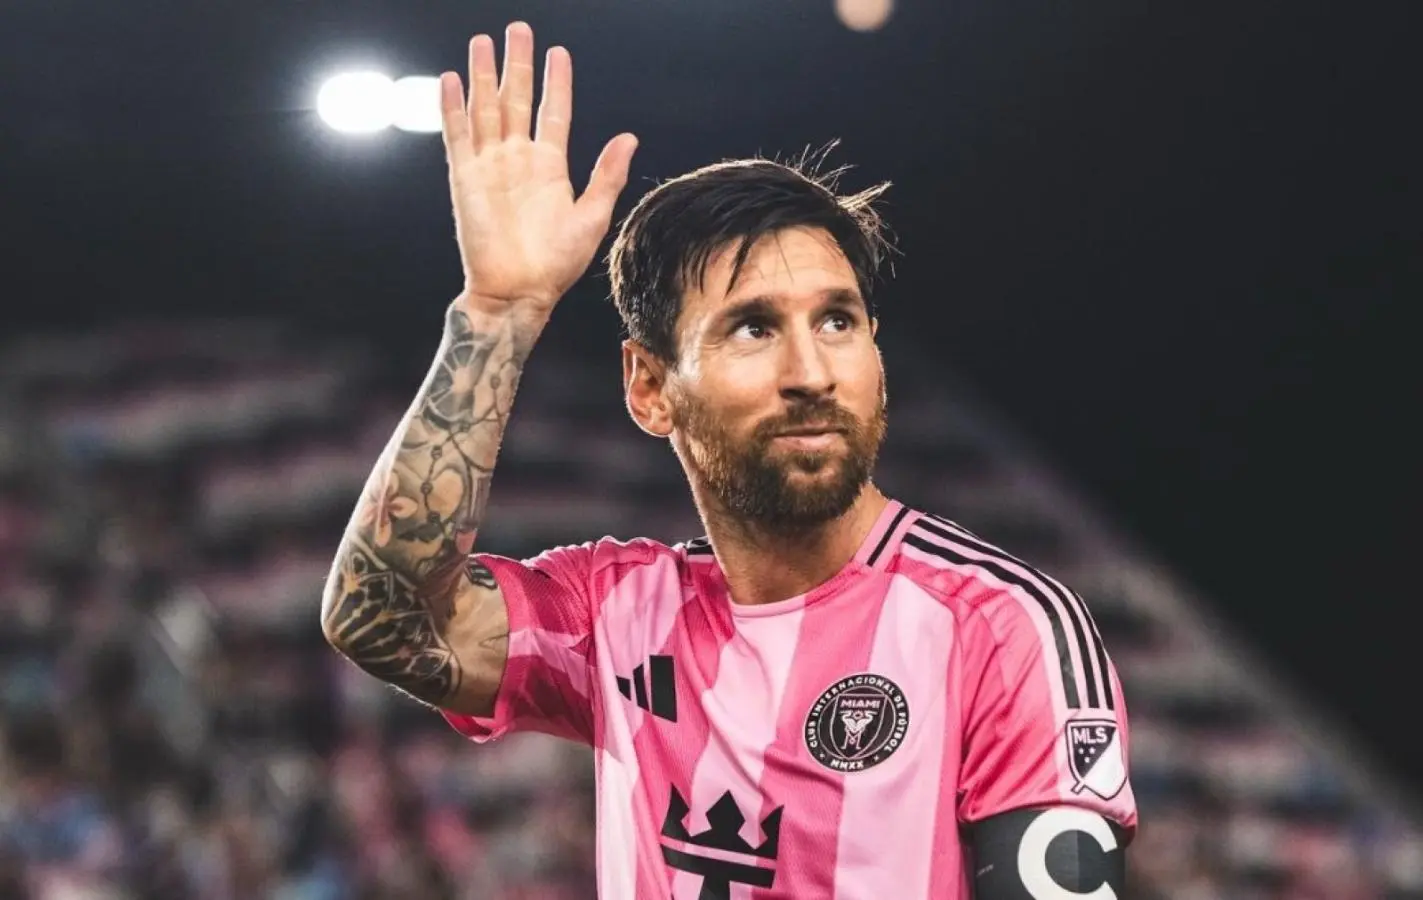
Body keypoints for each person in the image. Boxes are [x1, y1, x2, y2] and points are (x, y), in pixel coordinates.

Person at [320, 21, 1136, 899]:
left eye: (838, 320)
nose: (811, 373)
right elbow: (384, 619)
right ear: (648, 386)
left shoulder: (1000, 627)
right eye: (753, 328)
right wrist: (498, 312)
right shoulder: (617, 617)